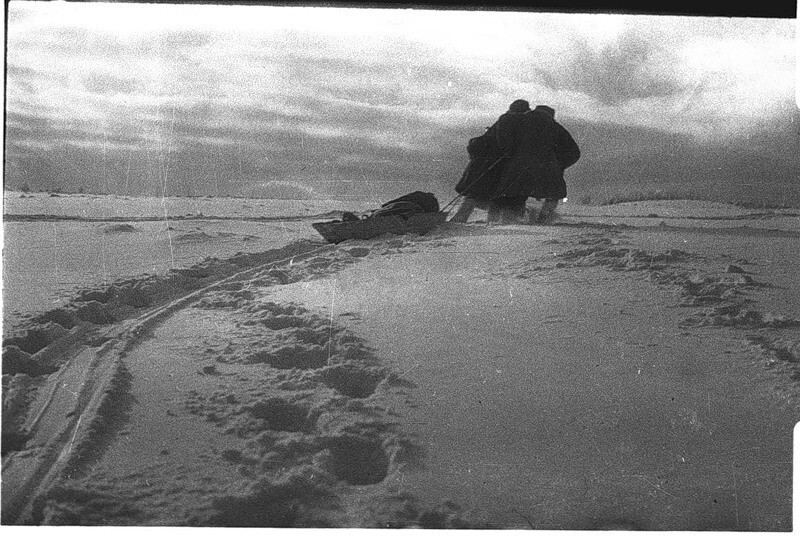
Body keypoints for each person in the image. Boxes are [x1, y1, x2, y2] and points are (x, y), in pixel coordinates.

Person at [489, 101, 580, 224]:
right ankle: (544, 219)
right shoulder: (556, 127)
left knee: (514, 193)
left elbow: (504, 132)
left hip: (518, 166)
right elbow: (574, 152)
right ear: (551, 116)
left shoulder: (518, 119)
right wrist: (559, 165)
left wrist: (508, 152)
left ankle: (507, 222)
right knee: (554, 194)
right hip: (548, 169)